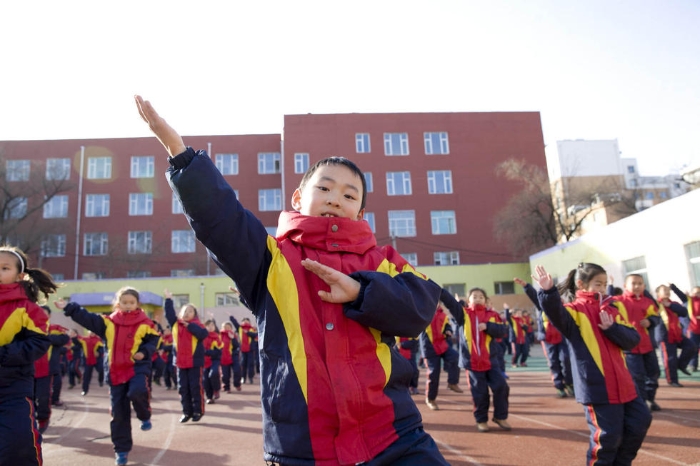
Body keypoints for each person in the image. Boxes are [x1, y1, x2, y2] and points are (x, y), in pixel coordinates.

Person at [136, 95, 449, 465]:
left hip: (393, 436)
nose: (336, 199)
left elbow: (420, 306)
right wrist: (181, 155)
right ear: (299, 197)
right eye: (325, 188)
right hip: (302, 446)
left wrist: (361, 292)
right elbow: (223, 220)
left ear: (361, 211)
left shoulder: (383, 262)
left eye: (349, 195)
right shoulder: (271, 260)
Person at [534, 263, 651, 466]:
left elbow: (633, 339)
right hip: (598, 388)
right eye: (598, 283)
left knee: (640, 422)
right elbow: (554, 311)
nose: (603, 288)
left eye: (605, 284)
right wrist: (548, 291)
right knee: (608, 439)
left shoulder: (612, 308)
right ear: (581, 284)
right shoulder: (573, 312)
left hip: (625, 385)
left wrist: (612, 328)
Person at [56, 286, 160, 466]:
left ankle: (144, 415)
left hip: (136, 368)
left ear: (137, 304)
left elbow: (153, 341)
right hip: (115, 372)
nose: (128, 305)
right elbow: (86, 318)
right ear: (117, 304)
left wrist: (144, 352)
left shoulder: (145, 323)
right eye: (124, 302)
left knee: (138, 392)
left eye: (131, 302)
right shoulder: (108, 323)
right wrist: (68, 307)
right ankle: (121, 450)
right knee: (119, 414)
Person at [0, 245, 55, 466]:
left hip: (13, 386)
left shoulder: (27, 309)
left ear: (20, 276)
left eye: (4, 268)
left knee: (19, 443)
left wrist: (4, 355)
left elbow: (39, 341)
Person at [439, 287, 510, 432]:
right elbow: (452, 304)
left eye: (481, 296)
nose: (478, 298)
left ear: (485, 300)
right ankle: (481, 420)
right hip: (472, 362)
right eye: (474, 296)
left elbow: (503, 331)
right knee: (480, 392)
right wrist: (442, 292)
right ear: (469, 299)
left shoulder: (492, 315)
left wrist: (488, 326)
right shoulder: (464, 314)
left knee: (501, 386)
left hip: (491, 361)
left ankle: (500, 416)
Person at [514, 277, 573, 398]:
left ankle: (569, 383)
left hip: (563, 338)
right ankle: (559, 386)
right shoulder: (543, 305)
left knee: (566, 360)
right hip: (548, 340)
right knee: (553, 363)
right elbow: (535, 296)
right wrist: (526, 286)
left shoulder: (564, 306)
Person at [612, 274, 662, 411]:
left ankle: (650, 398)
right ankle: (642, 401)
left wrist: (650, 321)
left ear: (644, 286)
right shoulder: (618, 301)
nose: (637, 286)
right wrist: (610, 286)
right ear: (625, 286)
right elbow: (605, 304)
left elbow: (657, 317)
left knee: (654, 374)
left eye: (640, 283)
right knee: (637, 376)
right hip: (630, 348)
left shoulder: (648, 302)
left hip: (648, 346)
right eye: (633, 283)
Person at [163, 290, 208, 423]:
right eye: (184, 311)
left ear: (194, 314)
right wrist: (168, 300)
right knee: (183, 388)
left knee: (195, 387)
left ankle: (198, 411)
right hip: (181, 363)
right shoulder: (176, 324)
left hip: (194, 362)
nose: (186, 313)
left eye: (190, 311)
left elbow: (203, 334)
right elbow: (169, 314)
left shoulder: (198, 326)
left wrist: (190, 326)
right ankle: (186, 412)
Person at [419, 305, 463, 410]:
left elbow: (447, 326)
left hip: (442, 345)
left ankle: (452, 383)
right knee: (434, 374)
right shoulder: (422, 312)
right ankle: (430, 399)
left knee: (455, 357)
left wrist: (448, 331)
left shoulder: (443, 315)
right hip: (429, 348)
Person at [34, 305, 70, 434]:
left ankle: (43, 419)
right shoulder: (27, 327)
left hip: (46, 369)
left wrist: (46, 338)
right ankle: (30, 421)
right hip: (28, 369)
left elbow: (65, 338)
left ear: (49, 316)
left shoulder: (54, 328)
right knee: (28, 398)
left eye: (44, 313)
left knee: (43, 396)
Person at [654, 284, 696, 386]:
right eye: (664, 290)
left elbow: (684, 312)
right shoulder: (655, 304)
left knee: (691, 346)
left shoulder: (673, 304)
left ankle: (681, 365)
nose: (667, 292)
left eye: (668, 290)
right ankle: (672, 380)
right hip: (664, 335)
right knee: (670, 358)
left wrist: (670, 306)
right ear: (658, 293)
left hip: (677, 334)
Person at [670, 283, 700, 371]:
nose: (696, 294)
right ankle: (693, 365)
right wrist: (673, 287)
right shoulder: (688, 300)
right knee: (694, 347)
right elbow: (679, 293)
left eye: (698, 292)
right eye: (695, 292)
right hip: (692, 329)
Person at [74, 330, 105, 395]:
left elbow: (102, 348)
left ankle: (100, 380)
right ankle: (84, 390)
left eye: (93, 331)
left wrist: (99, 352)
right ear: (88, 332)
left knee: (101, 369)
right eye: (90, 331)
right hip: (87, 360)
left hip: (97, 360)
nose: (92, 332)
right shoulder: (84, 339)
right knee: (86, 376)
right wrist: (74, 338)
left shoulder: (99, 340)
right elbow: (78, 344)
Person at [203, 319, 223, 404]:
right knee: (205, 380)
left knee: (213, 374)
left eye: (212, 325)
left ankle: (216, 390)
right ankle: (209, 397)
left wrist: (207, 352)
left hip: (214, 360)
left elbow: (219, 352)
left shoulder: (217, 337)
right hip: (204, 361)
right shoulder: (202, 337)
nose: (210, 327)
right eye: (208, 325)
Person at [220, 320, 242, 393]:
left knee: (237, 370)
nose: (227, 328)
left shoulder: (233, 335)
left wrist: (232, 338)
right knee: (225, 374)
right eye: (225, 327)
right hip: (224, 356)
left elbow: (237, 346)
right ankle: (227, 387)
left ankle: (237, 384)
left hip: (233, 355)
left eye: (228, 327)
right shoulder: (220, 335)